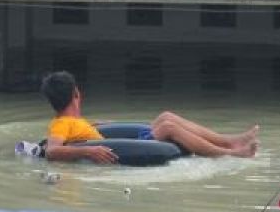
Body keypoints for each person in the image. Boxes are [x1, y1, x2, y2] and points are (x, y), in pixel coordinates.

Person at [40, 70, 259, 164]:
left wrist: (98, 125)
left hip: (126, 141)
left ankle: (229, 140)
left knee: (166, 116)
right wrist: (89, 150)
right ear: (77, 94)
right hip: (128, 148)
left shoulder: (73, 121)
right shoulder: (59, 125)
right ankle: (229, 153)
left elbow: (84, 132)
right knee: (168, 127)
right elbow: (52, 150)